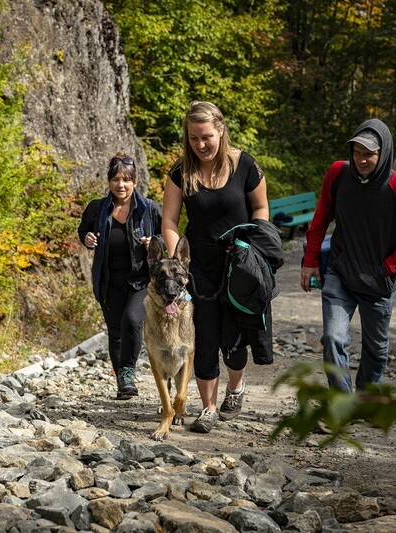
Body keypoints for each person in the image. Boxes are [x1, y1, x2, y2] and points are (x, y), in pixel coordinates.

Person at [161, 101, 270, 433]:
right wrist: (176, 262)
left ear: (220, 130)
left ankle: (235, 388)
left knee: (234, 340)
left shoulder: (245, 165)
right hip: (199, 268)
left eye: (206, 137)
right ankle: (208, 408)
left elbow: (261, 208)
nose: (200, 145)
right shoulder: (181, 172)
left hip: (239, 266)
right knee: (204, 337)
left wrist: (253, 245)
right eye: (193, 138)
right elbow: (169, 220)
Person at [300, 118, 396, 392]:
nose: (361, 160)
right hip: (340, 272)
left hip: (378, 282)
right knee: (333, 339)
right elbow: (320, 221)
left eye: (369, 153)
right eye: (357, 152)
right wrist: (310, 262)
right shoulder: (338, 174)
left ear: (384, 153)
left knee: (376, 349)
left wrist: (386, 268)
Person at [78, 152, 162, 399]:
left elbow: (166, 237)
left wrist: (154, 243)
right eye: (115, 179)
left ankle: (127, 371)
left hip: (141, 280)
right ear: (109, 181)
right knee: (115, 332)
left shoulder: (148, 209)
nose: (121, 185)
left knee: (132, 321)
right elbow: (83, 231)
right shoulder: (97, 208)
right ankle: (122, 381)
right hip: (109, 280)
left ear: (135, 181)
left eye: (126, 180)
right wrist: (87, 238)